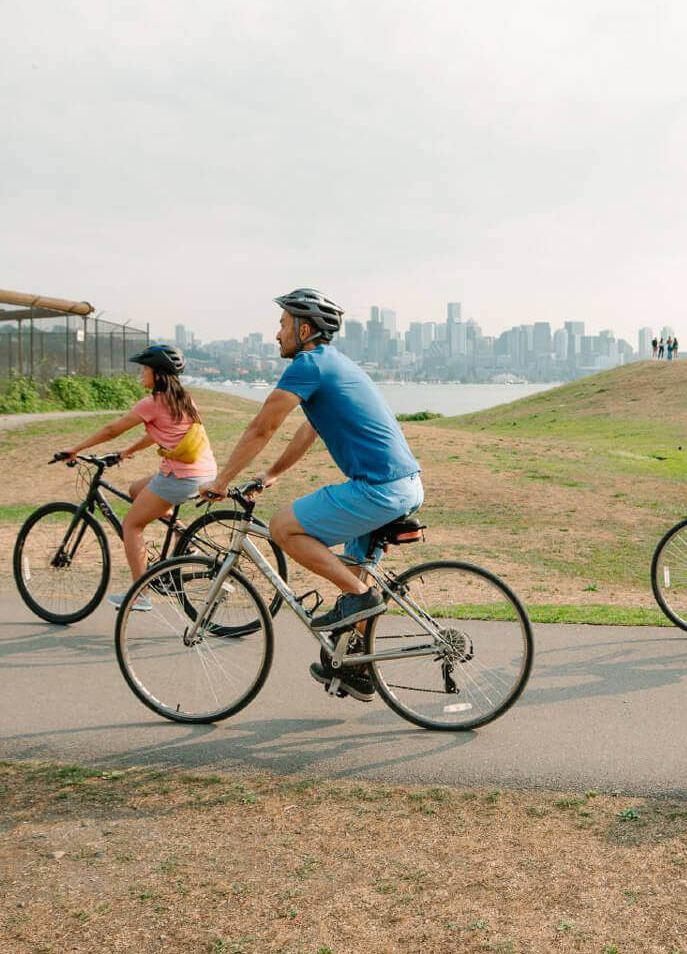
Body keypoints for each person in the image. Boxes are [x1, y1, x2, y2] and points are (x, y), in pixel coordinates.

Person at [201, 288, 423, 701]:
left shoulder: (309, 364)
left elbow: (261, 427)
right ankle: (355, 666)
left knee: (285, 528)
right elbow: (311, 429)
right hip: (406, 484)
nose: (277, 334)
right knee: (353, 570)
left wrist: (220, 480)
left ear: (304, 329)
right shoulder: (337, 365)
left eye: (283, 325)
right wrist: (270, 474)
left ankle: (360, 599)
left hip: (378, 489)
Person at [57, 343, 215, 611]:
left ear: (158, 374)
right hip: (204, 472)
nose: (142, 374)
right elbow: (158, 432)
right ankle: (182, 536)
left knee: (132, 525)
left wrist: (76, 449)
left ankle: (140, 594)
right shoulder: (184, 399)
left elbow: (111, 429)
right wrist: (127, 452)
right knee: (135, 489)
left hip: (180, 476)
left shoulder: (152, 402)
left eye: (145, 369)